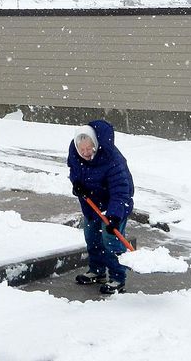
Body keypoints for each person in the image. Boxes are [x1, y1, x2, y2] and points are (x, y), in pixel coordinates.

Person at [68, 119, 134, 294]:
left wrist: (114, 216)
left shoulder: (112, 159)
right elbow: (74, 171)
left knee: (111, 240)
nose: (86, 153)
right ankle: (97, 272)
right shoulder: (75, 153)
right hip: (91, 204)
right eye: (82, 150)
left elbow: (121, 191)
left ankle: (118, 277)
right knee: (92, 238)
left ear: (96, 145)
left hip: (115, 206)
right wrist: (77, 184)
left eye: (89, 149)